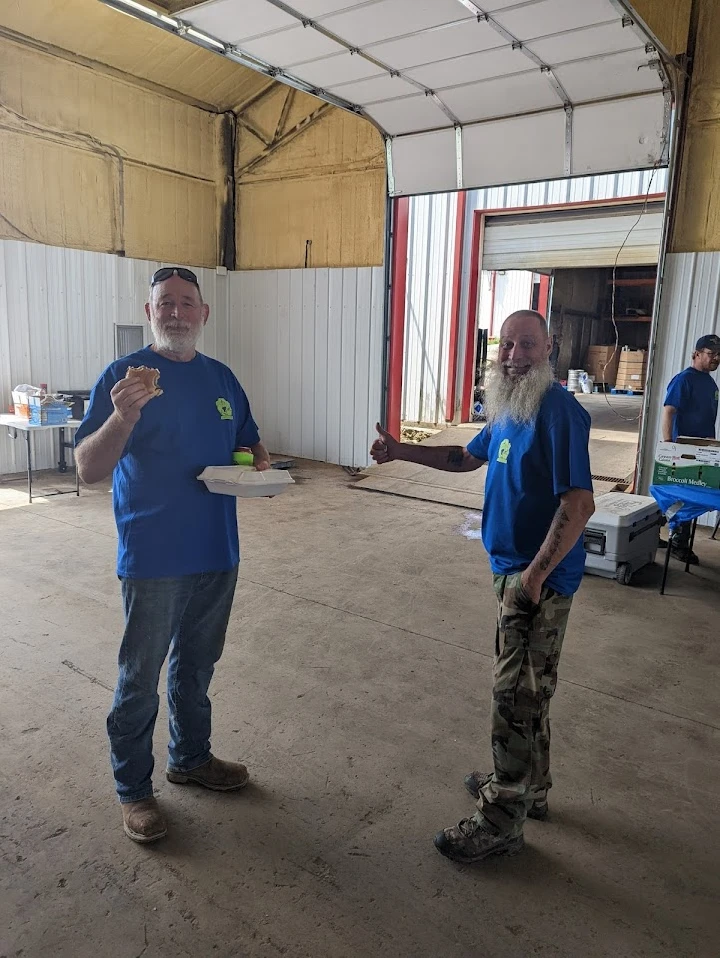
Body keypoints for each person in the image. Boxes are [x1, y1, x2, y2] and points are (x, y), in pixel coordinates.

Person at [371, 310, 595, 864]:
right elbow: (462, 458)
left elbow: (579, 504)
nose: (515, 355)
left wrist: (534, 577)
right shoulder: (506, 409)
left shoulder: (559, 412)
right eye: (507, 345)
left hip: (536, 579)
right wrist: (401, 451)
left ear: (550, 349)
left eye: (527, 345)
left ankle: (501, 818)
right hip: (509, 571)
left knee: (513, 696)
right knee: (530, 688)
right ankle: (531, 789)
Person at [75, 267, 270, 844]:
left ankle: (191, 758)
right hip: (154, 556)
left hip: (217, 550)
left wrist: (258, 463)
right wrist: (124, 416)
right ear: (150, 310)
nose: (178, 313)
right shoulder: (124, 379)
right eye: (167, 304)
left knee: (196, 667)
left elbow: (249, 440)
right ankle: (134, 791)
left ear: (205, 314)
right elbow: (88, 469)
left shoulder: (222, 378)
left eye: (188, 303)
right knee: (140, 678)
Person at [661, 333, 720, 564]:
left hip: (704, 451)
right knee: (682, 495)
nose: (716, 358)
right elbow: (668, 411)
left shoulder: (710, 382)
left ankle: (658, 531)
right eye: (710, 353)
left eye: (719, 355)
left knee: (693, 495)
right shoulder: (683, 380)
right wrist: (669, 446)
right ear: (696, 354)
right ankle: (678, 543)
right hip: (683, 451)